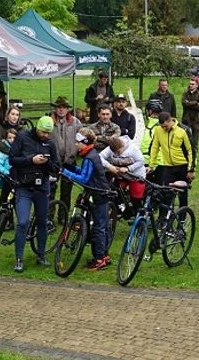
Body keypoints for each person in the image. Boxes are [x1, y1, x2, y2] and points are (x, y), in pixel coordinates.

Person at [8, 115, 61, 272]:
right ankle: (19, 258)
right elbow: (12, 159)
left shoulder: (50, 144)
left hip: (42, 187)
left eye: (48, 133)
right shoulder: (23, 137)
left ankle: (41, 255)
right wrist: (31, 160)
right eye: (43, 132)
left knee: (42, 221)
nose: (45, 135)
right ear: (37, 128)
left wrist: (47, 163)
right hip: (24, 186)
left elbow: (56, 167)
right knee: (23, 222)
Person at [61, 128, 113, 270]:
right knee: (102, 226)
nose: (76, 144)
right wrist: (71, 168)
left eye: (78, 142)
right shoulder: (91, 154)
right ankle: (104, 255)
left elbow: (84, 178)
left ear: (85, 142)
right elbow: (85, 172)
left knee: (99, 227)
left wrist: (65, 173)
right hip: (100, 193)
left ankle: (100, 259)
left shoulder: (90, 157)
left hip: (99, 195)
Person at [148, 112, 196, 212]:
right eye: (162, 127)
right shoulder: (158, 130)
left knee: (182, 194)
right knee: (165, 192)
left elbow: (191, 150)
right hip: (167, 166)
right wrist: (151, 165)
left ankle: (182, 218)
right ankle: (163, 218)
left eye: (165, 126)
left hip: (182, 166)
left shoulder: (183, 130)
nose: (164, 129)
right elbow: (155, 147)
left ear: (170, 121)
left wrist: (191, 169)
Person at [101, 134, 146, 216]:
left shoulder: (133, 149)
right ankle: (119, 209)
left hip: (135, 175)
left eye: (118, 152)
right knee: (116, 192)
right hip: (120, 175)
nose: (117, 154)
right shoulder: (110, 148)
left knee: (136, 198)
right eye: (114, 153)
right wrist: (110, 166)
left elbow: (141, 161)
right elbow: (99, 157)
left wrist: (128, 168)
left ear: (122, 146)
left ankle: (138, 214)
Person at [50, 96, 81, 213]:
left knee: (66, 191)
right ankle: (49, 216)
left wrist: (76, 151)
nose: (61, 110)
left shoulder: (76, 122)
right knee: (50, 190)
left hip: (70, 161)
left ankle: (63, 215)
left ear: (68, 109)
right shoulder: (49, 121)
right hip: (53, 162)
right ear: (55, 108)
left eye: (64, 107)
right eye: (59, 107)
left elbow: (82, 139)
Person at [0, 127, 18, 204]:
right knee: (5, 199)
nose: (12, 140)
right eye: (9, 138)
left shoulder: (17, 149)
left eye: (14, 138)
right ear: (6, 138)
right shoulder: (4, 150)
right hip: (7, 178)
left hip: (15, 178)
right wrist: (7, 173)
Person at [181, 79, 199, 149]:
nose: (190, 85)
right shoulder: (185, 93)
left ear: (197, 85)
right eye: (190, 84)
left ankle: (195, 158)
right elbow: (184, 104)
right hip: (186, 119)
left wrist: (189, 103)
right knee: (185, 140)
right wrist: (195, 102)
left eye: (192, 84)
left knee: (194, 142)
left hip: (196, 120)